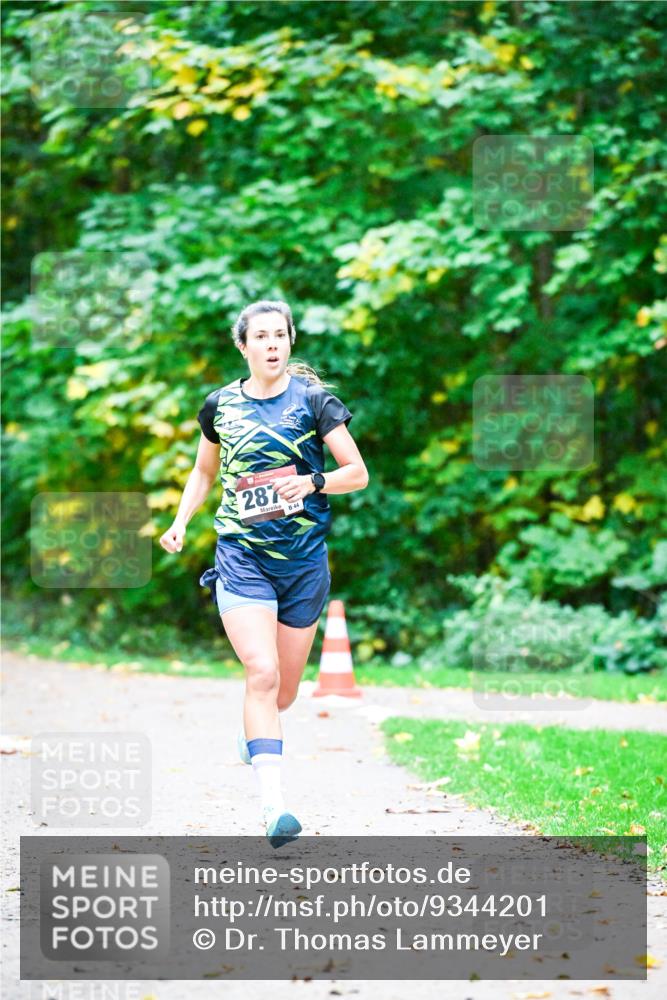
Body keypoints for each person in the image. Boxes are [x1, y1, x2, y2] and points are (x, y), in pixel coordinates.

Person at [159, 299, 369, 847]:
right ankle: (274, 807)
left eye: (280, 335)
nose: (272, 344)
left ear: (290, 341)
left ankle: (254, 733)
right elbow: (203, 472)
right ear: (243, 345)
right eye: (262, 336)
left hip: (302, 563)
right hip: (241, 556)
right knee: (262, 672)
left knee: (284, 693)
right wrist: (180, 521)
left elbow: (357, 473)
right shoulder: (220, 405)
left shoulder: (315, 402)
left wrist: (313, 482)